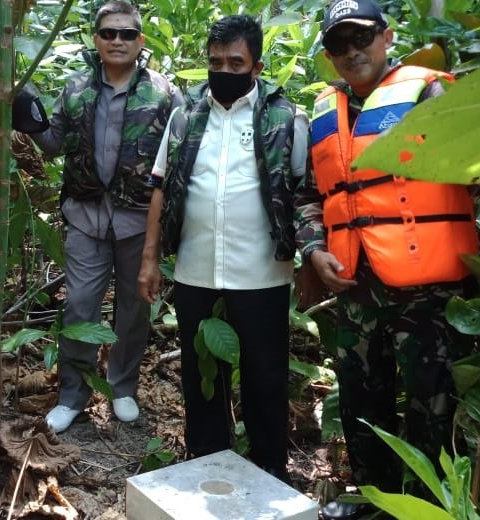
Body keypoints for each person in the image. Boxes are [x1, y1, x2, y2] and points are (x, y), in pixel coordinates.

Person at [295, 0, 480, 517]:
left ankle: (427, 506)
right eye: (337, 45)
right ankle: (372, 499)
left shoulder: (428, 92)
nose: (351, 52)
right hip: (355, 288)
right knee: (361, 402)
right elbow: (309, 194)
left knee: (432, 407)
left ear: (386, 37)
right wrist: (313, 248)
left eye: (360, 38)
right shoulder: (325, 110)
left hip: (429, 291)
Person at [138, 14, 309, 480]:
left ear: (256, 65)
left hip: (262, 273)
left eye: (236, 62)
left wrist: (310, 263)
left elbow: (304, 194)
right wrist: (151, 260)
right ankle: (207, 457)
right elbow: (160, 188)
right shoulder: (185, 117)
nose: (224, 70)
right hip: (195, 269)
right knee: (201, 370)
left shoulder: (287, 119)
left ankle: (270, 466)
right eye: (216, 61)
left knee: (265, 373)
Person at [12, 0, 182, 433]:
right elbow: (54, 146)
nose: (118, 41)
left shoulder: (163, 93)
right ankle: (73, 394)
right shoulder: (75, 88)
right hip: (86, 216)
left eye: (127, 34)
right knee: (80, 308)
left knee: (133, 310)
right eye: (110, 33)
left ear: (140, 41)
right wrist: (29, 119)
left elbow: (179, 157)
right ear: (97, 39)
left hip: (138, 221)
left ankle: (122, 387)